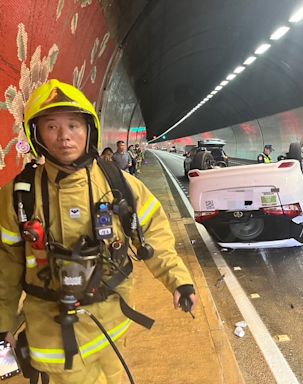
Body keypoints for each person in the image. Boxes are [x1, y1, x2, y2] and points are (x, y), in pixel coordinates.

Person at [0, 79, 197, 383]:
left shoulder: (120, 185)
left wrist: (179, 281)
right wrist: (3, 325)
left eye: (74, 126)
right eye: (51, 127)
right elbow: (7, 264)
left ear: (89, 131)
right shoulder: (19, 196)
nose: (64, 137)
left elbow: (154, 235)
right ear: (36, 134)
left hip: (112, 323)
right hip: (54, 334)